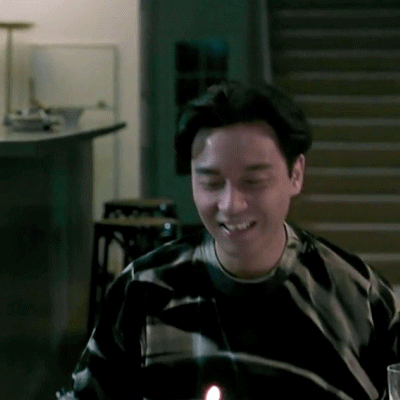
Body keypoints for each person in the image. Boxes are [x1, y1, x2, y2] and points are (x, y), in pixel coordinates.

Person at [58, 81, 400, 400]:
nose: (231, 204)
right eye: (211, 182)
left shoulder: (357, 297)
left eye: (253, 182)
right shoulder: (144, 291)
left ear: (296, 174)